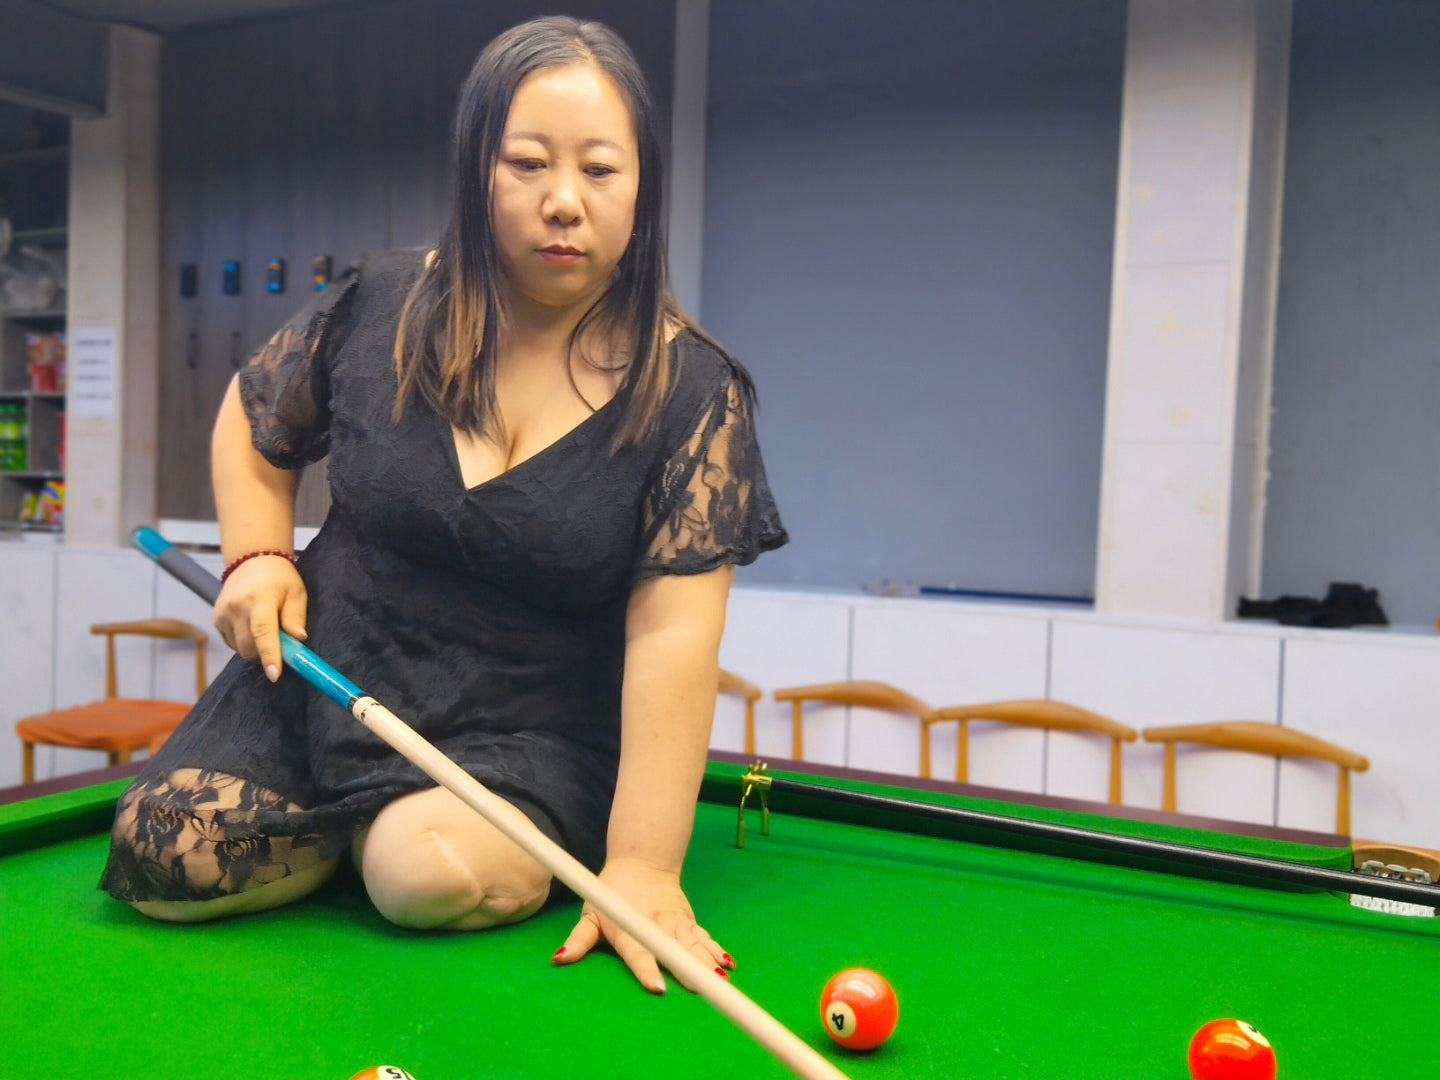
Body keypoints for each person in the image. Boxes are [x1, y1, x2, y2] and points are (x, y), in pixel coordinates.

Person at [100, 15, 786, 995]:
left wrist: (641, 868)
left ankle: (382, 839)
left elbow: (675, 644)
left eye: (600, 170)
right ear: (477, 172)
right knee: (164, 857)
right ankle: (350, 827)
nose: (563, 202)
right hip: (327, 681)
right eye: (528, 163)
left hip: (528, 727)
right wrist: (259, 558)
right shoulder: (381, 302)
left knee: (421, 875)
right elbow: (253, 423)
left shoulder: (691, 392)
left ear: (644, 189)